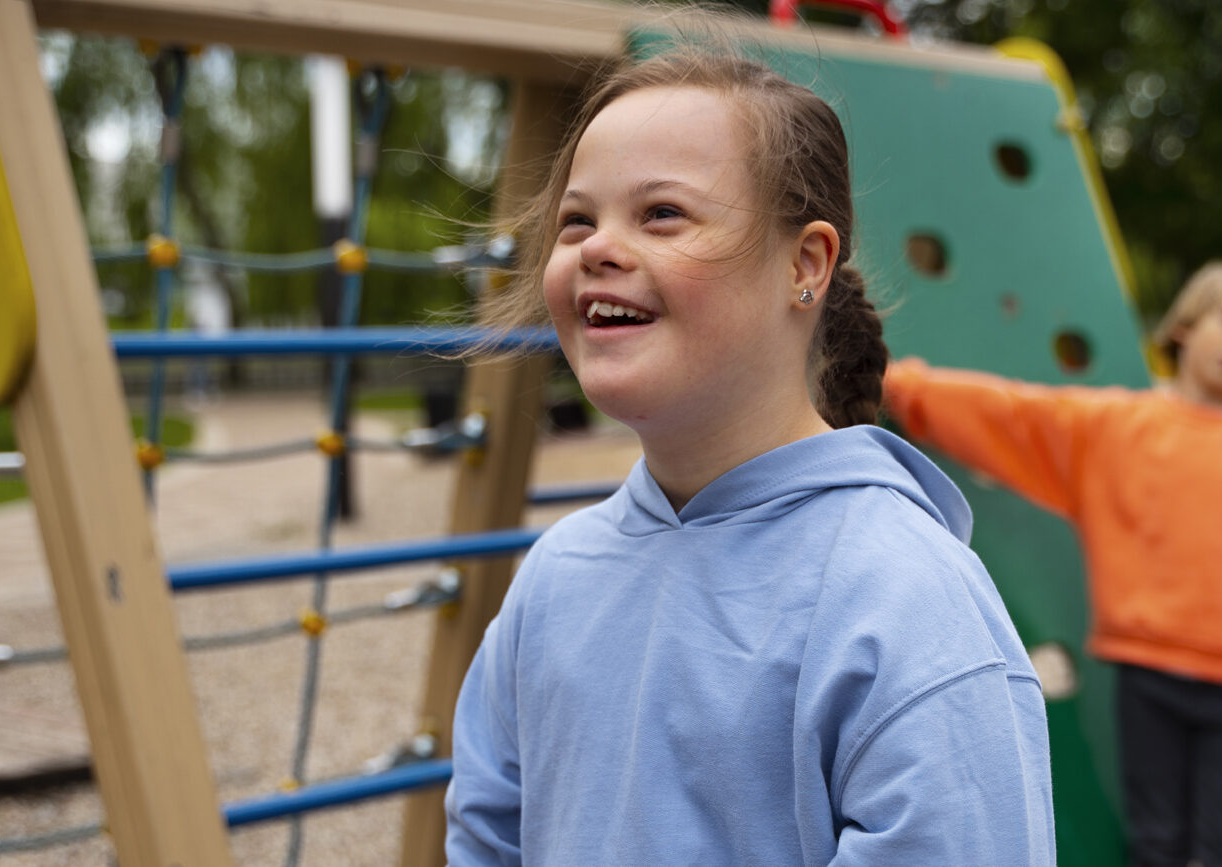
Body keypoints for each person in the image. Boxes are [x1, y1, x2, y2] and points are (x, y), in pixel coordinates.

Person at [445, 45, 1056, 866]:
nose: (597, 246)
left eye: (661, 213)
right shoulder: (554, 578)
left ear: (804, 264)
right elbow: (487, 835)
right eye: (577, 221)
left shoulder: (907, 600)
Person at [884, 262, 1222, 867]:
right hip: (1145, 673)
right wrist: (902, 385)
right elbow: (1015, 416)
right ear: (1184, 326)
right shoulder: (1117, 426)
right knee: (1155, 840)